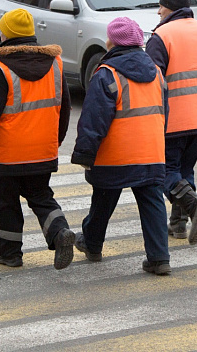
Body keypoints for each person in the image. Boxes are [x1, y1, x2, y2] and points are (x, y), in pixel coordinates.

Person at [0, 8, 75, 270]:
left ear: (6, 35)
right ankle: (60, 234)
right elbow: (64, 108)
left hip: (7, 155)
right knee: (41, 196)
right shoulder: (55, 65)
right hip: (42, 152)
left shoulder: (0, 68)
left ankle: (10, 254)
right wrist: (55, 141)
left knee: (5, 203)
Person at [71, 17, 172, 275]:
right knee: (152, 202)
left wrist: (84, 153)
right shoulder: (157, 73)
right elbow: (164, 113)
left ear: (111, 42)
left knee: (103, 199)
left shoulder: (107, 73)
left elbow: (94, 119)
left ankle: (92, 245)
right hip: (150, 151)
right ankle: (159, 258)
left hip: (114, 154)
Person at [145, 0, 197, 245]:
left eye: (161, 6)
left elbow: (151, 79)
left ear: (171, 8)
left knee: (165, 171)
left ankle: (194, 207)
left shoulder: (162, 35)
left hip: (172, 117)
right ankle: (178, 225)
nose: (158, 11)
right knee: (185, 169)